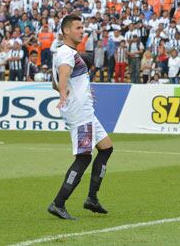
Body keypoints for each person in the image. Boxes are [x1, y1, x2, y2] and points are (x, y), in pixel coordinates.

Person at [47, 14, 113, 220]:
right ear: (66, 31)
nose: (81, 30)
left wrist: (77, 91)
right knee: (84, 157)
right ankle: (58, 203)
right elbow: (63, 76)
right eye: (77, 27)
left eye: (82, 27)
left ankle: (92, 198)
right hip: (80, 113)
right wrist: (64, 94)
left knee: (106, 148)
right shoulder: (66, 53)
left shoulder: (64, 52)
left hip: (85, 110)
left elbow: (54, 82)